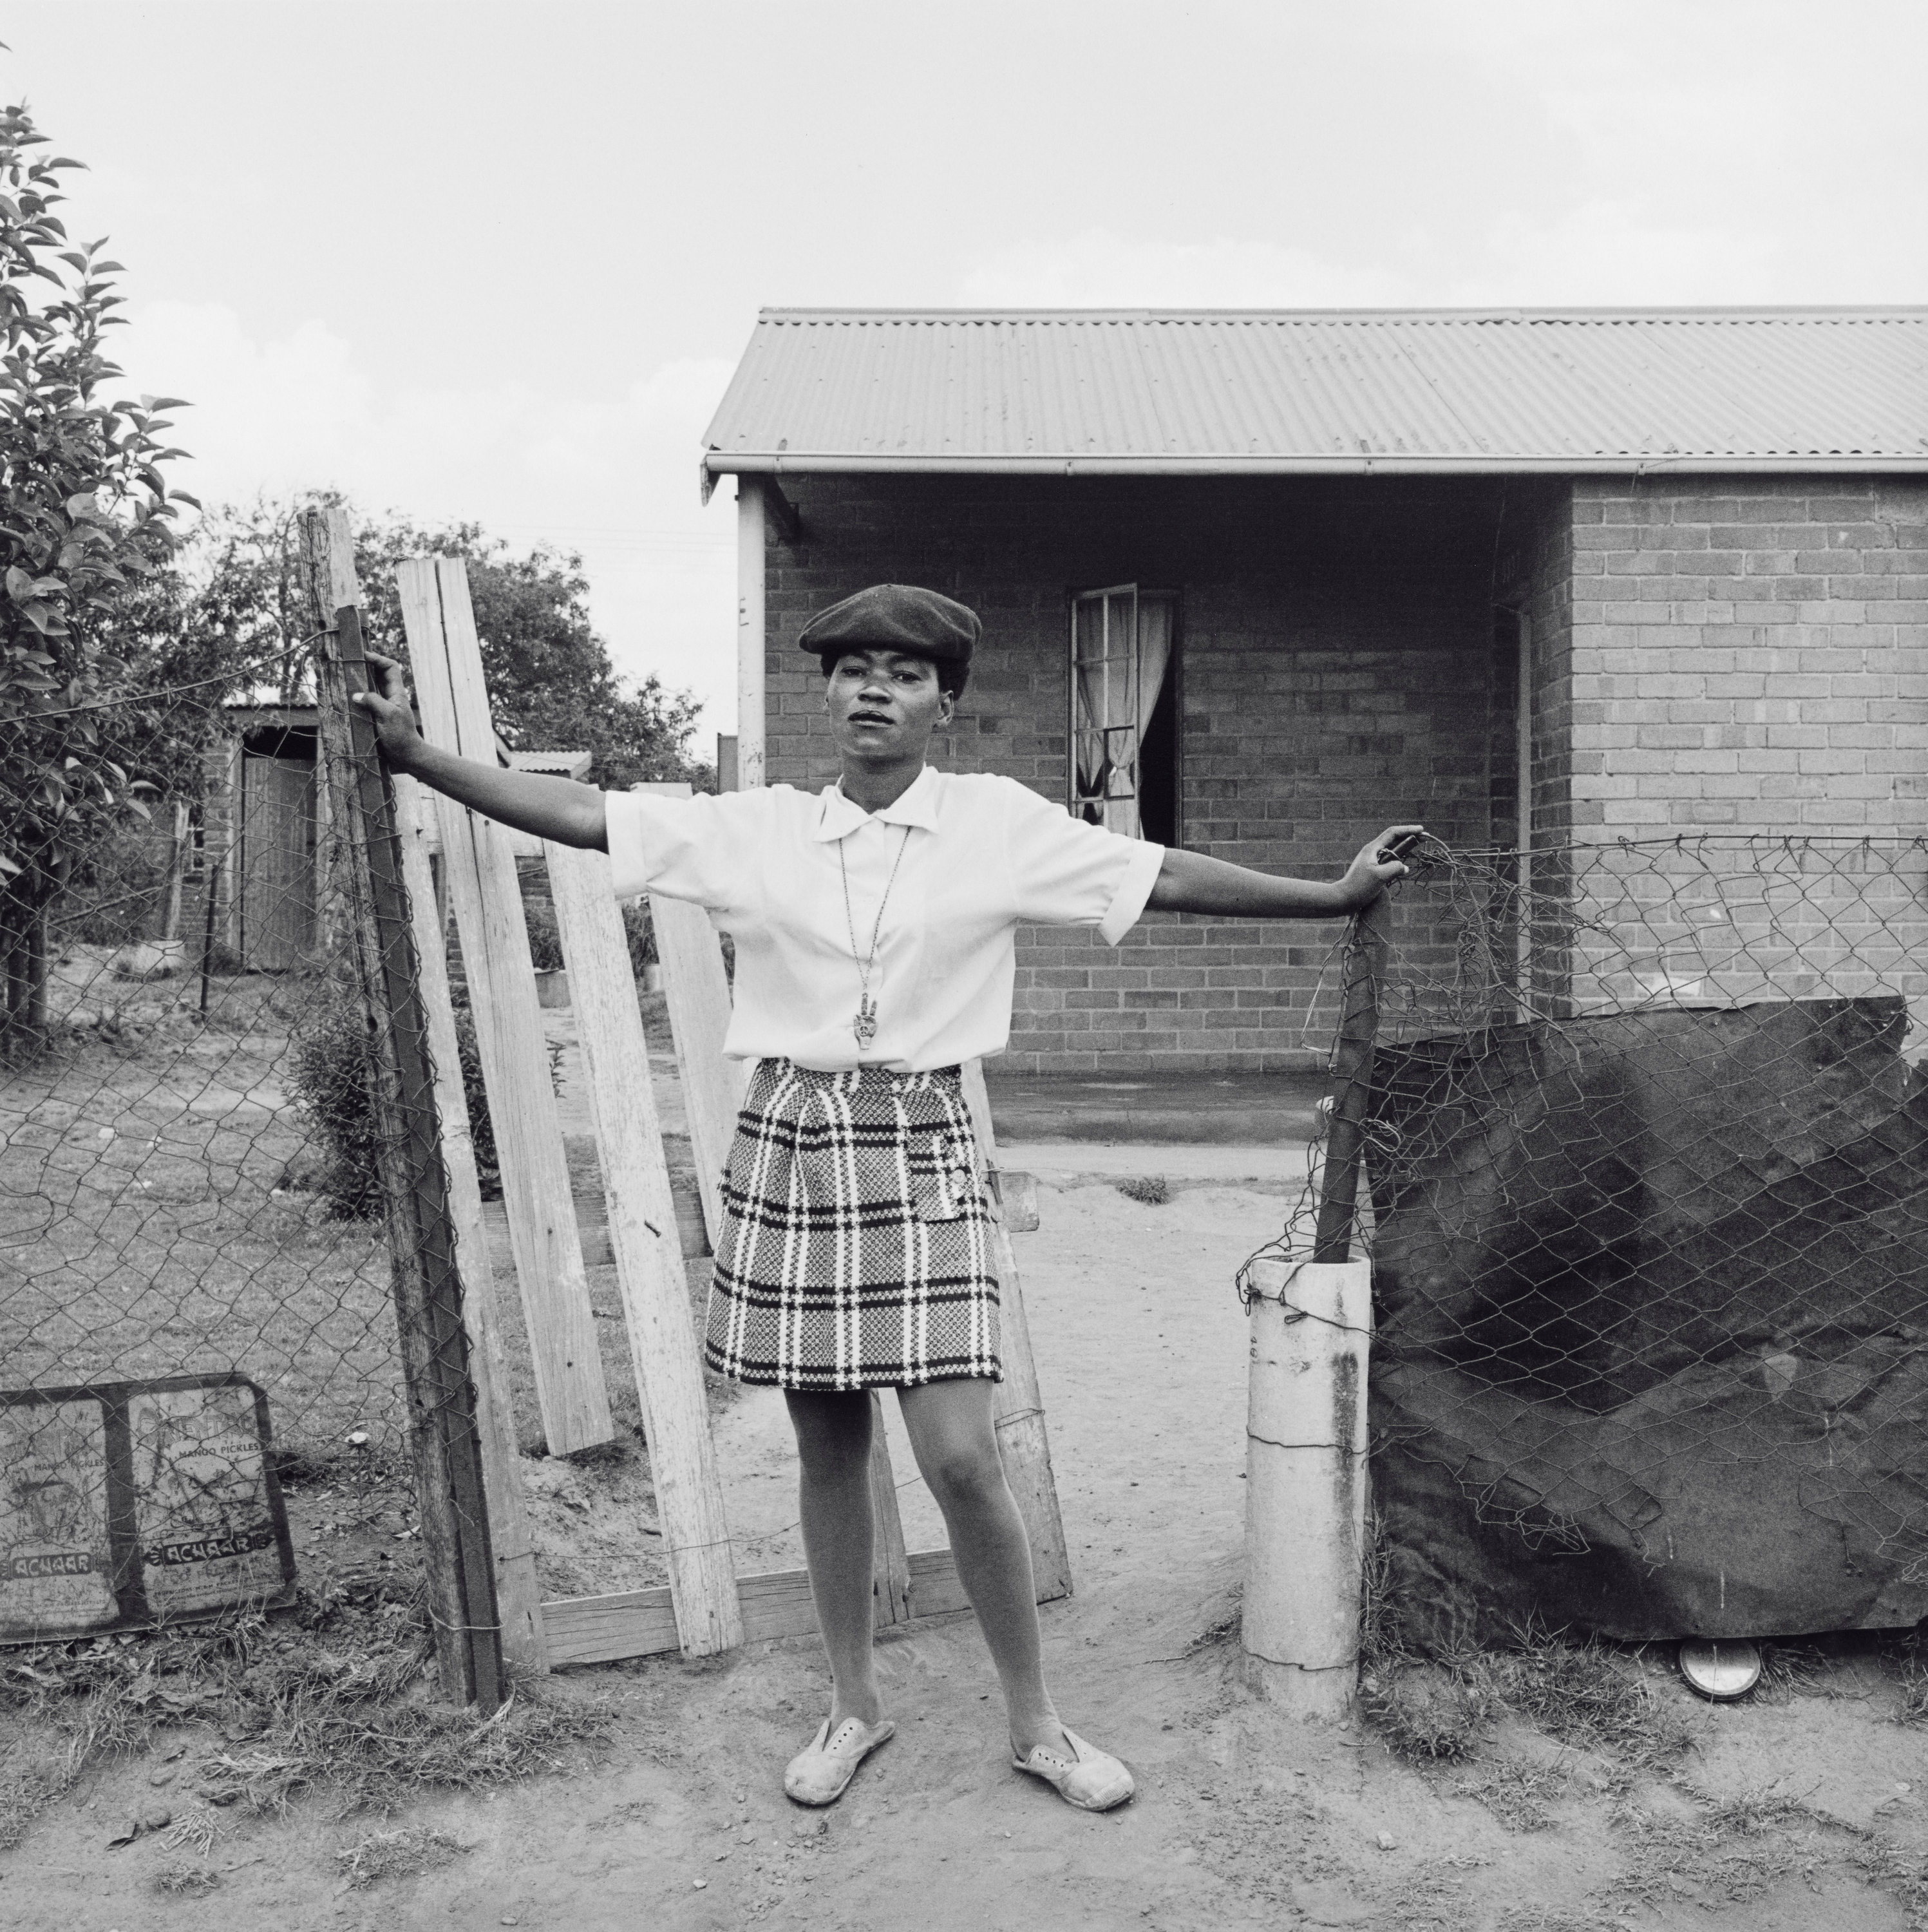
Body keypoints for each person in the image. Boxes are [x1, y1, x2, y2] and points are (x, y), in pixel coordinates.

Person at [355, 582, 1418, 1814]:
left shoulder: (996, 826)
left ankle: (1037, 1722)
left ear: (944, 706)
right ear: (827, 692)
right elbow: (589, 815)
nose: (875, 688)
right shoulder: (759, 830)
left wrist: (1328, 897)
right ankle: (852, 1704)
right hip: (794, 1137)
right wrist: (419, 755)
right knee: (829, 1443)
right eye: (854, 667)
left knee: (963, 1457)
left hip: (923, 1141)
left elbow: (1157, 875)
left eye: (906, 674)